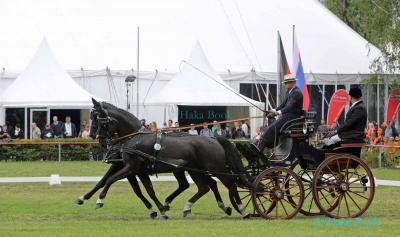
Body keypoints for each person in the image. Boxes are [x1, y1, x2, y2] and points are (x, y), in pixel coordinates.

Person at [257, 74, 303, 151]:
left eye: (287, 83)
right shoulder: (290, 92)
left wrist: (277, 113)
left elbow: (289, 106)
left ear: (293, 83)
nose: (285, 84)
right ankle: (263, 142)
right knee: (272, 125)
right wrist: (273, 110)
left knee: (274, 126)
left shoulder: (296, 92)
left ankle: (261, 145)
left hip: (292, 117)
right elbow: (283, 105)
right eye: (285, 83)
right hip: (287, 116)